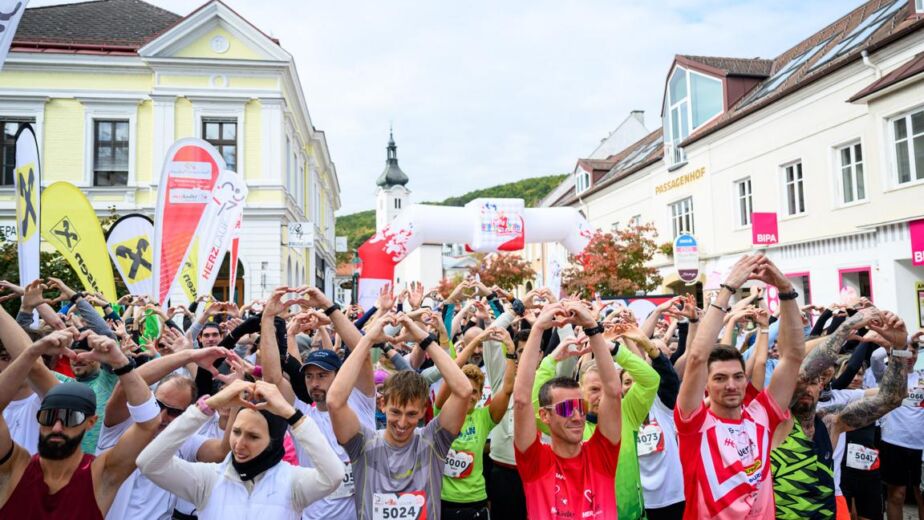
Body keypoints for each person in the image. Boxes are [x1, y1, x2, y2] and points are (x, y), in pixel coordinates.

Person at [674, 254, 804, 519]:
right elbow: (698, 358)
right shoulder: (695, 425)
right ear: (706, 386)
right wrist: (727, 289)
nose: (731, 385)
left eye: (737, 376)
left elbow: (793, 357)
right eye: (720, 378)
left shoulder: (761, 415)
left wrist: (786, 291)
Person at [0, 326, 160, 519]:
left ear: (90, 422)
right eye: (49, 417)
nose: (57, 427)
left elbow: (148, 424)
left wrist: (120, 362)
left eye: (71, 418)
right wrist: (33, 351)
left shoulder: (100, 476)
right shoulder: (15, 468)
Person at [327, 313, 472, 520]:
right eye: (396, 412)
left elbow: (464, 390)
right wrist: (367, 340)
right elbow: (334, 401)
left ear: (423, 411)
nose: (402, 423)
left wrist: (424, 338)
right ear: (382, 404)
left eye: (412, 414)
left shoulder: (433, 441)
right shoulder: (363, 444)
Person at [770, 307, 910, 520]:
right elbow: (801, 375)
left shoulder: (830, 422)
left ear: (823, 385)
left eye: (815, 383)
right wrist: (846, 327)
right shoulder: (772, 421)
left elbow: (891, 398)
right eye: (804, 382)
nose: (807, 388)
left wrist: (899, 348)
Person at [136, 379, 344, 519]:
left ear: (273, 441)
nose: (239, 444)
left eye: (253, 436)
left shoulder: (292, 483)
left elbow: (334, 475)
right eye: (236, 432)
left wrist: (293, 416)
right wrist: (207, 407)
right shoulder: (209, 479)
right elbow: (149, 463)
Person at [258, 286, 377, 520]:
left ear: (339, 375)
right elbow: (271, 379)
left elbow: (362, 353)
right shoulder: (301, 416)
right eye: (309, 376)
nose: (314, 383)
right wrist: (268, 319)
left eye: (322, 376)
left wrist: (329, 307)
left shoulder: (361, 402)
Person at [513, 301, 621, 518]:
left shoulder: (602, 455)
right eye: (566, 408)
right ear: (545, 415)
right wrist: (537, 329)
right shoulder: (535, 462)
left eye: (581, 406)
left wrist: (592, 326)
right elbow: (522, 400)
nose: (577, 415)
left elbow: (613, 391)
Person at [436, 326, 515, 518]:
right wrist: (475, 341)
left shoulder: (483, 417)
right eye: (463, 388)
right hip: (443, 500)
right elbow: (450, 371)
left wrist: (511, 351)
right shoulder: (441, 412)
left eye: (474, 391)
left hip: (475, 499)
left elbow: (506, 389)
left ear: (480, 395)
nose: (468, 395)